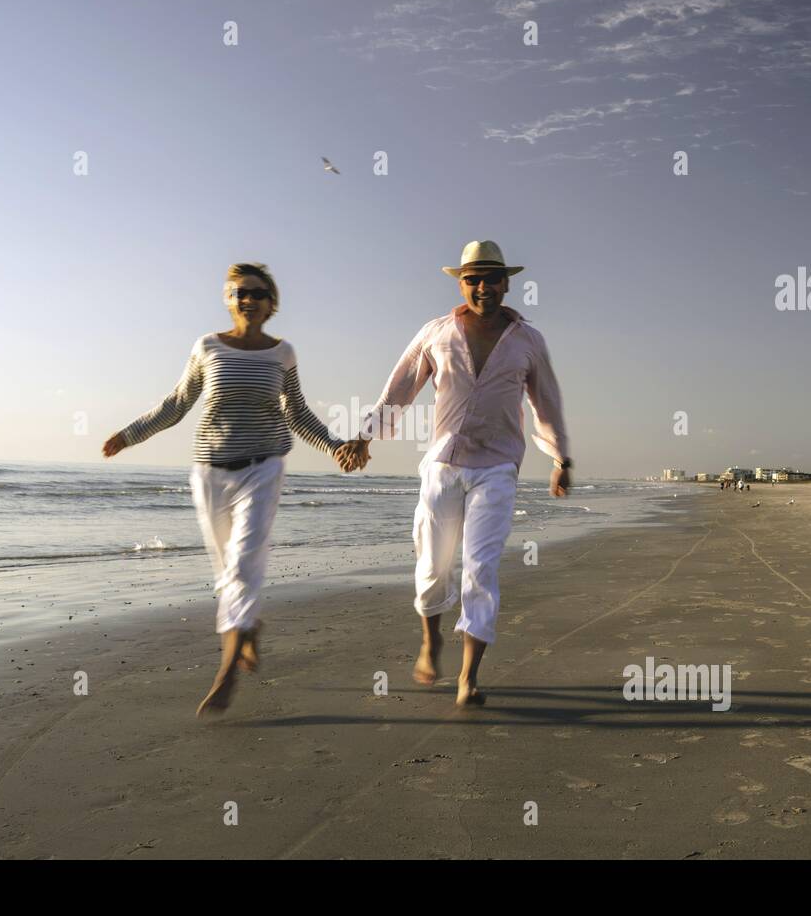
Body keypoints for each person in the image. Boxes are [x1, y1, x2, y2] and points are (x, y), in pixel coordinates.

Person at [102, 262, 366, 716]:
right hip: (210, 471)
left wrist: (335, 447)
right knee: (226, 571)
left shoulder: (282, 354)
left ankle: (225, 674)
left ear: (272, 303)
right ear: (229, 299)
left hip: (263, 469)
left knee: (243, 566)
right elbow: (178, 403)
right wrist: (130, 435)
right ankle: (247, 626)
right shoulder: (206, 347)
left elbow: (297, 414)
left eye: (258, 293)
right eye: (240, 292)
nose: (248, 299)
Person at [339, 241, 571, 708]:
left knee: (481, 569)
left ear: (507, 283)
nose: (482, 287)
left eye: (491, 278)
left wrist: (560, 459)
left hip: (499, 467)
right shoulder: (436, 332)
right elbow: (400, 386)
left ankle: (469, 676)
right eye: (473, 279)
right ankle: (431, 641)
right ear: (461, 283)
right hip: (443, 465)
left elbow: (546, 402)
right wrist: (365, 436)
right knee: (431, 567)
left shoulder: (529, 340)